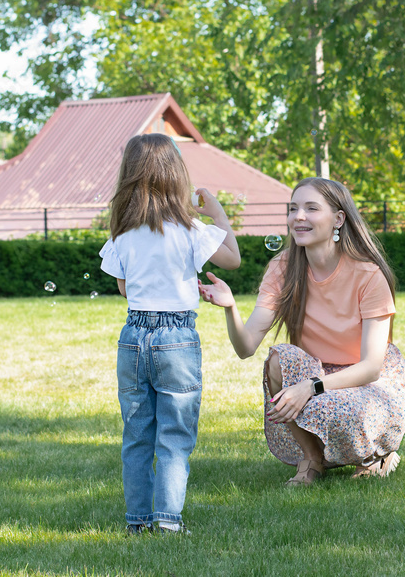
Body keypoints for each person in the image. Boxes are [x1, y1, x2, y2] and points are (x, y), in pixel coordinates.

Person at [198, 177, 405, 486]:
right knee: (278, 359)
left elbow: (370, 368)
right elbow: (246, 346)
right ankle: (311, 459)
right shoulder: (282, 267)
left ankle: (375, 453)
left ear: (338, 219)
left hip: (369, 380)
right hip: (316, 370)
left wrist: (311, 387)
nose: (298, 216)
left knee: (344, 409)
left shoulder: (369, 275)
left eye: (311, 208)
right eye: (293, 209)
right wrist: (230, 307)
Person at [99, 133, 241, 536]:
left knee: (137, 434)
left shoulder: (122, 234)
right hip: (176, 337)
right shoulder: (190, 228)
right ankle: (168, 520)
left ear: (129, 176)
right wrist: (218, 214)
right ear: (176, 175)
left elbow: (125, 288)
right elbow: (232, 259)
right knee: (175, 435)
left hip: (133, 336)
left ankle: (137, 521)